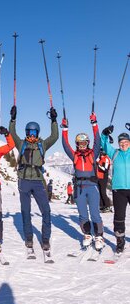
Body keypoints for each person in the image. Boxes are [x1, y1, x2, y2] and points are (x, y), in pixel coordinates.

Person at [9, 105, 59, 251]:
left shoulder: (42, 144)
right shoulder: (21, 144)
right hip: (24, 180)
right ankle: (29, 237)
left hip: (38, 181)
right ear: (26, 133)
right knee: (25, 211)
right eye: (29, 132)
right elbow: (12, 134)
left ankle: (45, 239)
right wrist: (13, 119)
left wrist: (54, 121)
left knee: (46, 210)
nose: (31, 135)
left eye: (34, 132)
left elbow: (54, 137)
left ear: (37, 133)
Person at [61, 113, 104, 250]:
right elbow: (65, 144)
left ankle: (98, 236)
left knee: (95, 213)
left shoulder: (93, 153)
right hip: (79, 188)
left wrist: (94, 124)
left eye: (84, 143)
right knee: (82, 213)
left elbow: (98, 140)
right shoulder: (74, 155)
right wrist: (65, 129)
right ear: (77, 144)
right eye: (80, 144)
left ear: (87, 143)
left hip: (92, 187)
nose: (82, 146)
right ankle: (87, 234)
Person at [101, 127, 130, 253]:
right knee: (119, 217)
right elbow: (104, 143)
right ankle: (120, 242)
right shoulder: (115, 153)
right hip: (118, 190)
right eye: (121, 143)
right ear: (118, 144)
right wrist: (104, 134)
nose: (123, 145)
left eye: (126, 142)